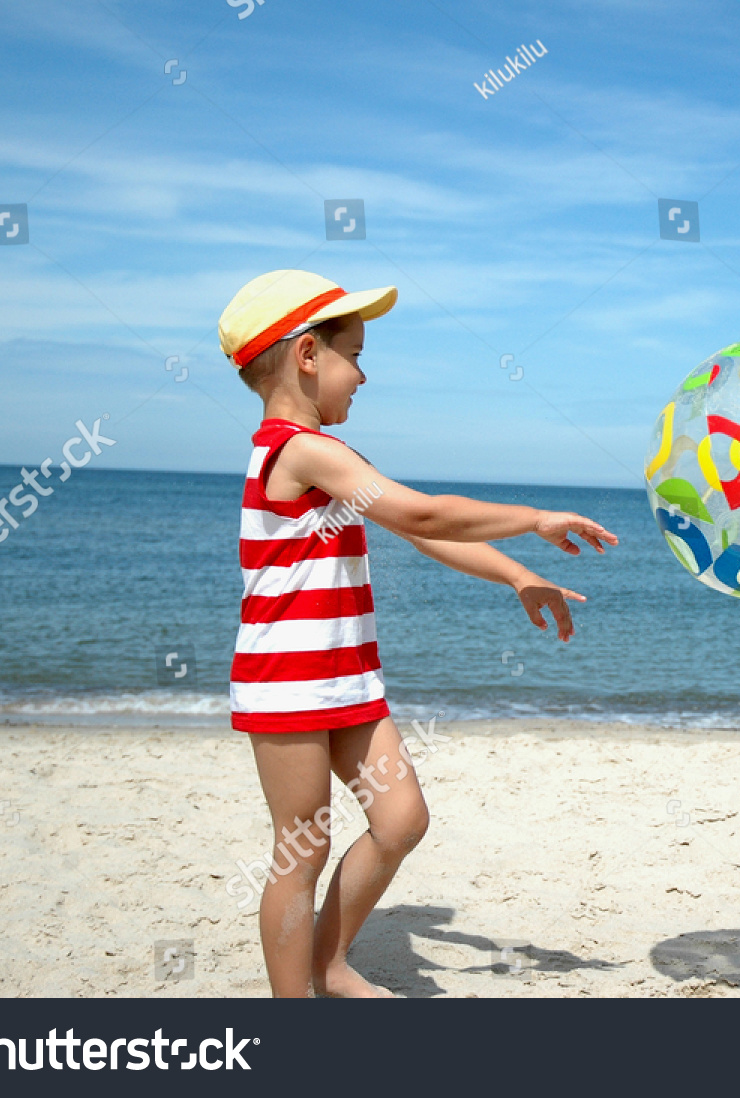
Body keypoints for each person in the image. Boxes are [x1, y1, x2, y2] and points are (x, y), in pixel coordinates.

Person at [218, 269, 617, 997]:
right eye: (356, 355)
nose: (363, 376)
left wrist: (515, 575)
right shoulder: (296, 451)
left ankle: (329, 963)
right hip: (287, 683)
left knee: (400, 820)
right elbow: (427, 514)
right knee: (300, 850)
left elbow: (421, 531)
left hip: (345, 680)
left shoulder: (334, 461)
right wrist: (532, 519)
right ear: (308, 355)